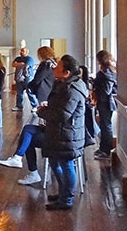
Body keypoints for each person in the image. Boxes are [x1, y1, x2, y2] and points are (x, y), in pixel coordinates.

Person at [39, 54, 89, 210]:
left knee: (66, 164)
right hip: (60, 133)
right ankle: (63, 192)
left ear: (66, 73)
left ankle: (66, 199)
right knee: (54, 161)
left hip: (68, 134)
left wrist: (42, 113)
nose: (54, 68)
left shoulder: (72, 89)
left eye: (58, 67)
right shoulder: (64, 84)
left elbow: (63, 114)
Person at [92, 50, 118, 160]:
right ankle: (104, 147)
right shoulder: (112, 70)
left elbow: (106, 90)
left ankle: (105, 150)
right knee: (105, 125)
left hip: (105, 102)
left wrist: (96, 89)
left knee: (105, 125)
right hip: (108, 102)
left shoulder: (105, 73)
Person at [27, 46, 57, 117]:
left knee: (43, 112)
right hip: (51, 88)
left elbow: (38, 78)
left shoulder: (45, 64)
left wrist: (29, 85)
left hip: (44, 91)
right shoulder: (53, 63)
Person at [11, 44, 37, 111]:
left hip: (27, 77)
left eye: (23, 51)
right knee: (19, 93)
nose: (21, 52)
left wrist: (19, 64)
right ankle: (19, 106)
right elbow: (13, 64)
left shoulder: (29, 58)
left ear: (27, 52)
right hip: (19, 77)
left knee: (29, 92)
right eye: (21, 51)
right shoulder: (18, 58)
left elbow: (26, 65)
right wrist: (20, 63)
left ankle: (35, 106)